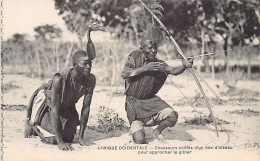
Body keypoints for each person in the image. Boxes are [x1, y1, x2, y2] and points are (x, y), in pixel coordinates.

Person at [24, 24, 104, 151]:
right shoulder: (60, 79)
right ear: (74, 65)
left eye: (90, 64)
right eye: (85, 64)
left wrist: (81, 138)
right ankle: (34, 125)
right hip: (47, 104)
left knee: (69, 137)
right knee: (53, 140)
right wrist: (60, 142)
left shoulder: (90, 79)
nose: (88, 67)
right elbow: (54, 109)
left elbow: (86, 108)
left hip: (66, 106)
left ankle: (54, 131)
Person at [121, 37, 193, 144]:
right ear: (141, 49)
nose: (153, 51)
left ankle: (157, 131)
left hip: (151, 102)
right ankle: (136, 126)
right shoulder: (135, 56)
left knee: (172, 115)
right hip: (133, 104)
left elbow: (173, 70)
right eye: (150, 48)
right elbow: (125, 74)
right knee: (140, 141)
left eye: (155, 48)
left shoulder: (159, 64)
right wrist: (146, 68)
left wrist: (184, 66)